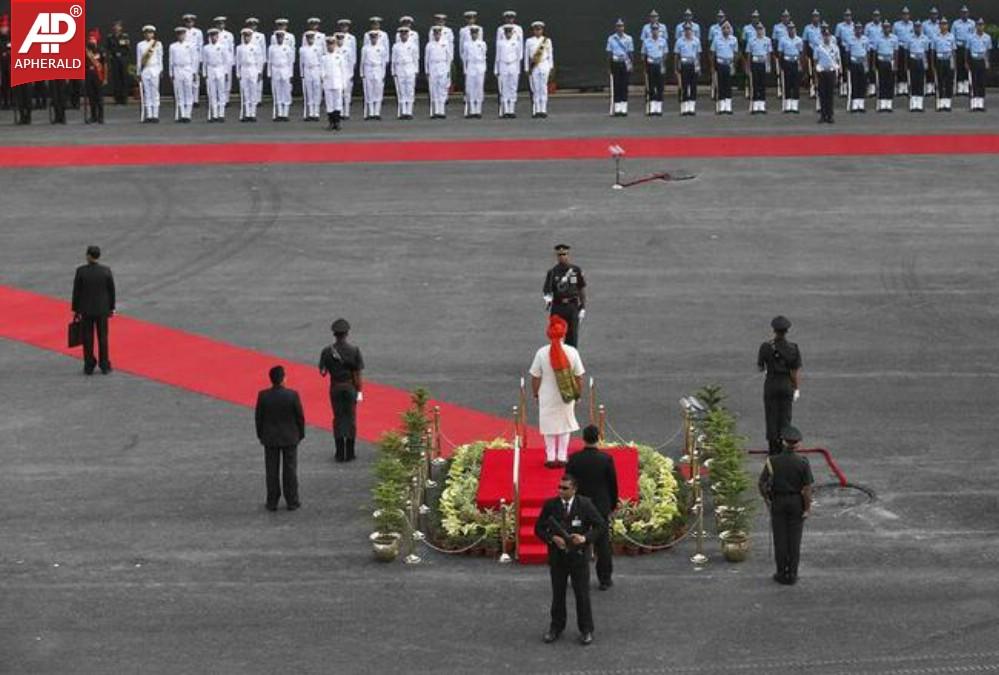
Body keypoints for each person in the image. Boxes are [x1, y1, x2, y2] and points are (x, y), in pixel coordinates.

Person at [534, 474, 605, 646]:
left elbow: (600, 525)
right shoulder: (551, 505)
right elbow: (539, 528)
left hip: (578, 557)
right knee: (558, 594)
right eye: (559, 487)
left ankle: (586, 629)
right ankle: (556, 627)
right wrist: (552, 539)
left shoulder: (585, 504)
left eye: (564, 488)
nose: (560, 491)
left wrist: (585, 538)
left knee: (582, 595)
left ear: (574, 489)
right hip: (558, 558)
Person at [758, 425, 813, 585]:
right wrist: (807, 508)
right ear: (798, 444)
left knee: (780, 539)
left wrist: (767, 499)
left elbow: (761, 483)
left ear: (783, 442)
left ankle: (781, 573)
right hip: (796, 502)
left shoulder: (772, 461)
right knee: (794, 540)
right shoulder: (803, 462)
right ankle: (793, 574)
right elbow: (807, 489)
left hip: (778, 502)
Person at [566, 425, 618, 591]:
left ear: (583, 438)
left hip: (580, 505)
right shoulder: (606, 459)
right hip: (600, 507)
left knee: (577, 542)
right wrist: (613, 504)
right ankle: (605, 579)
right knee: (603, 544)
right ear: (598, 437)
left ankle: (577, 577)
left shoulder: (574, 459)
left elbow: (567, 483)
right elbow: (612, 485)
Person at [530, 315, 585, 467]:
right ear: (564, 335)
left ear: (549, 334)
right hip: (566, 394)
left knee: (548, 425)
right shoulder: (572, 352)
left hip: (546, 394)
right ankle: (561, 456)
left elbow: (535, 376)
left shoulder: (541, 353)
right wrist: (578, 394)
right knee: (564, 425)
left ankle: (550, 456)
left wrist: (536, 393)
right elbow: (579, 376)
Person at [254, 366, 305, 512]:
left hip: (270, 438)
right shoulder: (292, 395)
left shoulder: (263, 395)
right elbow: (300, 417)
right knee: (290, 470)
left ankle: (272, 501)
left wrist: (261, 435)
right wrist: (300, 434)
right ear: (283, 379)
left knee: (271, 470)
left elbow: (259, 418)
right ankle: (292, 500)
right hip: (290, 437)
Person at [319, 318, 364, 462]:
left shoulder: (327, 351)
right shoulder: (354, 350)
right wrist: (359, 391)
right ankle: (350, 452)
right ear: (347, 333)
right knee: (351, 418)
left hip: (335, 387)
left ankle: (339, 452)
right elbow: (358, 373)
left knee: (338, 418)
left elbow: (322, 372)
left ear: (334, 334)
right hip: (350, 387)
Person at [758, 315, 802, 454]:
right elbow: (794, 372)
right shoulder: (793, 348)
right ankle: (785, 446)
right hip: (786, 384)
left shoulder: (766, 347)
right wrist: (796, 388)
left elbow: (760, 367)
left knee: (771, 415)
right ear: (787, 331)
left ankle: (773, 448)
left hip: (771, 383)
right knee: (785, 416)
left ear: (774, 330)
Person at [71, 245, 116, 375]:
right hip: (102, 310)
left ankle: (89, 365)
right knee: (103, 337)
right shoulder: (106, 271)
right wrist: (112, 307)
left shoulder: (81, 271)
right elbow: (111, 291)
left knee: (87, 338)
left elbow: (76, 292)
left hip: (86, 310)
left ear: (89, 256)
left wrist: (76, 309)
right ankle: (104, 365)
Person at [543, 244, 587, 349]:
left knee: (572, 335)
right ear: (556, 256)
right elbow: (547, 290)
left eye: (564, 254)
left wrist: (583, 307)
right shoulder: (552, 272)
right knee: (556, 335)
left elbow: (580, 288)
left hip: (572, 306)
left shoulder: (575, 270)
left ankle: (571, 357)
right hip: (558, 306)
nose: (562, 257)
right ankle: (557, 357)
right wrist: (547, 299)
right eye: (560, 255)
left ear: (568, 255)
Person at [524, 22, 553, 119]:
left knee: (543, 88)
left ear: (542, 30)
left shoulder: (547, 41)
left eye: (539, 29)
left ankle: (543, 109)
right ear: (533, 30)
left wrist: (551, 67)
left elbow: (550, 55)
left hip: (544, 65)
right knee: (535, 88)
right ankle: (536, 110)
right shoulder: (529, 41)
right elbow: (526, 56)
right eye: (536, 30)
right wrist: (526, 68)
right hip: (534, 66)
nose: (537, 31)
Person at [606, 19, 634, 116]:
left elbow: (630, 53)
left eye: (621, 26)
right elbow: (609, 53)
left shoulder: (629, 38)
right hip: (615, 62)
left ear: (624, 27)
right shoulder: (611, 39)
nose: (620, 28)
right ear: (616, 28)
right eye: (618, 26)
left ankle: (624, 107)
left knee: (624, 85)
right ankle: (617, 107)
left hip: (625, 62)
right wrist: (609, 67)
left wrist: (631, 64)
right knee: (616, 85)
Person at [235, 27, 263, 122]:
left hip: (253, 69)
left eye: (248, 36)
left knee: (253, 92)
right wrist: (238, 73)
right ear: (243, 37)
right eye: (245, 36)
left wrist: (259, 72)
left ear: (251, 37)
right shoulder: (239, 48)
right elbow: (238, 61)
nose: (247, 38)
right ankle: (247, 114)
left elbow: (259, 60)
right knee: (245, 93)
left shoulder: (256, 47)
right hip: (244, 69)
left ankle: (253, 114)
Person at [495, 23, 522, 118]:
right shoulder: (500, 43)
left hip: (513, 66)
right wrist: (496, 69)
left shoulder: (516, 43)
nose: (508, 34)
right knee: (504, 88)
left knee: (513, 87)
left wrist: (518, 69)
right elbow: (497, 57)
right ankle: (506, 110)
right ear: (504, 33)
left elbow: (518, 57)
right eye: (507, 32)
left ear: (512, 33)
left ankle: (512, 110)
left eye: (510, 32)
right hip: (503, 65)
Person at [137, 25, 163, 122]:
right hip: (145, 70)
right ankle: (149, 115)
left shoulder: (157, 44)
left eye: (150, 33)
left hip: (154, 69)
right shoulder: (140, 45)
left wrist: (160, 70)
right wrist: (138, 72)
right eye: (147, 33)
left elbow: (160, 58)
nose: (148, 35)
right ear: (144, 34)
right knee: (147, 93)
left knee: (155, 92)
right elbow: (139, 59)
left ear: (153, 34)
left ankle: (155, 115)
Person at [711, 21, 738, 114]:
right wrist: (712, 66)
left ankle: (728, 106)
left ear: (730, 29)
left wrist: (734, 65)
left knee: (728, 85)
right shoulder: (716, 39)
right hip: (720, 64)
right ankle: (721, 106)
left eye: (728, 28)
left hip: (729, 64)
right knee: (721, 85)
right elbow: (713, 53)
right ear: (721, 30)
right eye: (724, 28)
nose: (726, 30)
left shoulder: (734, 40)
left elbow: (735, 53)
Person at [814, 25, 840, 123]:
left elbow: (837, 61)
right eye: (825, 35)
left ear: (830, 36)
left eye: (828, 35)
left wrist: (837, 74)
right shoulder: (818, 48)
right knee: (822, 95)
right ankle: (823, 115)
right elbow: (816, 61)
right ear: (822, 37)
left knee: (830, 95)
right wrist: (815, 75)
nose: (826, 37)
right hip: (822, 72)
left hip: (831, 72)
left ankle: (830, 115)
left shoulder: (835, 48)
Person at [202, 28, 229, 122]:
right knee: (212, 93)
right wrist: (204, 73)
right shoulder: (206, 48)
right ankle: (214, 114)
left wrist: (226, 72)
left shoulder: (222, 47)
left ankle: (221, 114)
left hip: (220, 68)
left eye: (215, 35)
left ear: (218, 36)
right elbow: (204, 62)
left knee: (221, 92)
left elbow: (226, 61)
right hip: (210, 69)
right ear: (210, 37)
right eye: (212, 35)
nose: (213, 37)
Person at [392, 27, 419, 119]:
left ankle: (409, 111)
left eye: (405, 34)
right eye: (402, 34)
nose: (404, 36)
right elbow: (393, 60)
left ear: (408, 35)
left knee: (410, 90)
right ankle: (403, 111)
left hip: (410, 68)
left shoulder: (413, 45)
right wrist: (393, 71)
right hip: (400, 68)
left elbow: (415, 59)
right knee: (401, 91)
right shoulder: (396, 46)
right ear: (400, 35)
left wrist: (416, 70)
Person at [169, 27, 195, 123]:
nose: (181, 36)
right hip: (177, 69)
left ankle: (188, 114)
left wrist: (194, 72)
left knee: (188, 92)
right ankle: (182, 114)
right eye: (179, 34)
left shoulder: (190, 45)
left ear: (185, 35)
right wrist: (171, 73)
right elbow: (171, 61)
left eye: (182, 34)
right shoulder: (173, 46)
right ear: (177, 35)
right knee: (179, 92)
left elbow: (194, 59)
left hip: (187, 69)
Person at [267, 30, 294, 121]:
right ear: (276, 38)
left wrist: (290, 74)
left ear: (283, 38)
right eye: (278, 37)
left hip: (285, 70)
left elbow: (290, 62)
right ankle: (279, 113)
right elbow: (269, 61)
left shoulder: (287, 48)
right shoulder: (271, 48)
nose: (280, 39)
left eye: (281, 37)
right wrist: (269, 73)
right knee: (277, 92)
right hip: (275, 70)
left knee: (286, 92)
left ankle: (285, 113)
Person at [642, 23, 668, 116]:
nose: (655, 31)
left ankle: (659, 107)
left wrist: (663, 65)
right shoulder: (646, 41)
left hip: (659, 64)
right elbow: (644, 55)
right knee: (651, 86)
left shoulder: (663, 41)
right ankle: (652, 107)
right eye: (653, 29)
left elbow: (665, 54)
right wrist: (645, 67)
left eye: (656, 29)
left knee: (660, 86)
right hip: (651, 64)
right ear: (651, 31)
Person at [461, 25, 487, 118]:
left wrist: (484, 68)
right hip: (471, 66)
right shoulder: (466, 44)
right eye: (473, 33)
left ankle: (478, 110)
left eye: (475, 33)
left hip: (479, 66)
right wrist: (465, 69)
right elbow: (464, 58)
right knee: (470, 88)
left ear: (478, 34)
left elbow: (484, 57)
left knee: (479, 88)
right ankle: (472, 110)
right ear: (470, 34)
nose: (474, 35)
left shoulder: (482, 44)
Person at [426, 25, 452, 119]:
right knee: (434, 90)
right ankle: (436, 111)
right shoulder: (429, 45)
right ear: (433, 34)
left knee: (442, 89)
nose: (437, 35)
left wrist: (448, 70)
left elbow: (449, 57)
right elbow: (426, 59)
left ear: (441, 34)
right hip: (433, 66)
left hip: (442, 66)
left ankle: (442, 110)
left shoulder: (445, 43)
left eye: (438, 33)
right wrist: (427, 70)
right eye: (435, 33)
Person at [675, 22, 701, 116]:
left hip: (693, 63)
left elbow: (698, 55)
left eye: (689, 29)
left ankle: (692, 107)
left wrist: (698, 66)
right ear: (684, 31)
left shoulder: (696, 41)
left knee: (693, 86)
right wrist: (676, 66)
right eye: (686, 29)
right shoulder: (679, 41)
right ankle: (684, 108)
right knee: (684, 86)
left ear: (692, 30)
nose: (688, 31)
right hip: (684, 63)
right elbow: (677, 55)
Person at [778, 22, 804, 113]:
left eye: (793, 28)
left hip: (795, 62)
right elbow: (780, 53)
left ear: (795, 29)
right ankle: (788, 105)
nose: (791, 30)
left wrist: (800, 64)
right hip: (787, 62)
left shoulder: (799, 40)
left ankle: (795, 105)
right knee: (787, 84)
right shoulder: (783, 40)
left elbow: (801, 53)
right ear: (787, 30)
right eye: (789, 28)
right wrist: (782, 65)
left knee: (796, 84)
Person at [361, 30, 387, 120]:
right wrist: (362, 73)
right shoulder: (365, 48)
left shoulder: (382, 48)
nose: (374, 39)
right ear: (370, 38)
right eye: (372, 38)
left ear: (377, 38)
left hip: (378, 69)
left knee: (378, 91)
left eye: (375, 37)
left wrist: (383, 73)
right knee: (369, 91)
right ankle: (371, 112)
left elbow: (383, 62)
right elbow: (362, 61)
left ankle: (377, 112)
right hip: (368, 69)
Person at [874, 21, 899, 112]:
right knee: (882, 82)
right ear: (882, 28)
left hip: (890, 61)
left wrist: (895, 64)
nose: (886, 29)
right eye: (884, 27)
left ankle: (889, 104)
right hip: (881, 61)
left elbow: (896, 52)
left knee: (890, 82)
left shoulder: (894, 38)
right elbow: (875, 52)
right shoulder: (878, 38)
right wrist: (874, 64)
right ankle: (882, 103)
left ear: (890, 28)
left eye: (888, 27)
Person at [746, 22, 771, 113]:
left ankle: (762, 105)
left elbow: (768, 54)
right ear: (756, 30)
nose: (759, 31)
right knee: (755, 84)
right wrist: (748, 67)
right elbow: (749, 54)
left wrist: (768, 65)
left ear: (763, 30)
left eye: (761, 29)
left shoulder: (767, 40)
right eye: (758, 29)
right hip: (755, 63)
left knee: (762, 84)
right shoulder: (751, 40)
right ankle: (755, 104)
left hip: (763, 63)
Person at [104, 20, 131, 105]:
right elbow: (107, 48)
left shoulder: (125, 36)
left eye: (118, 26)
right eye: (115, 26)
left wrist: (125, 56)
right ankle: (117, 99)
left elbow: (128, 48)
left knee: (124, 78)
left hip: (123, 59)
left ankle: (124, 98)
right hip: (114, 59)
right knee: (116, 79)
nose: (116, 28)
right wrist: (110, 56)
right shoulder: (110, 37)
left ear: (121, 28)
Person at [967, 19, 991, 112]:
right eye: (978, 25)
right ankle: (973, 104)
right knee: (973, 82)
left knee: (982, 82)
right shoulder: (970, 37)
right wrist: (967, 62)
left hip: (982, 60)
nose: (980, 26)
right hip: (973, 60)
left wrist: (987, 61)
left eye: (981, 25)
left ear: (984, 26)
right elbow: (967, 51)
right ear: (976, 26)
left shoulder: (987, 37)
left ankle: (980, 104)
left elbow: (988, 51)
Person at [932, 18, 956, 111]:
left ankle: (948, 103)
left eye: (945, 24)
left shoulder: (951, 36)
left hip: (948, 60)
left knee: (948, 82)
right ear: (939, 26)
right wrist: (933, 64)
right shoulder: (935, 36)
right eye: (942, 24)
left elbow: (953, 51)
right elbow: (933, 51)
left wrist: (953, 63)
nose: (943, 26)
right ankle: (940, 103)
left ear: (947, 26)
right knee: (939, 81)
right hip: (939, 60)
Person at [846, 22, 870, 112]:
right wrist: (848, 65)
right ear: (854, 30)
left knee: (862, 84)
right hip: (854, 63)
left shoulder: (865, 39)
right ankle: (855, 105)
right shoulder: (850, 39)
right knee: (855, 83)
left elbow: (867, 53)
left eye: (860, 28)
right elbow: (847, 53)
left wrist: (867, 65)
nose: (858, 30)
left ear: (862, 30)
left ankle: (861, 104)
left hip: (862, 63)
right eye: (857, 28)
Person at [907, 21, 930, 112]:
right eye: (916, 27)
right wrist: (907, 63)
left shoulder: (925, 38)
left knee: (920, 81)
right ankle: (913, 104)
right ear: (913, 28)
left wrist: (926, 63)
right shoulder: (909, 38)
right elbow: (907, 51)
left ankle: (920, 104)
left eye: (919, 27)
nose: (917, 28)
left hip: (921, 60)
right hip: (912, 60)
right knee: (913, 81)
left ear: (921, 28)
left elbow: (926, 52)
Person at [84, 32, 106, 124]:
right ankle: (93, 116)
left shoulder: (101, 50)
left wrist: (105, 78)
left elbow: (104, 64)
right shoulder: (86, 50)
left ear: (96, 40)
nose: (91, 41)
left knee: (99, 97)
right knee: (91, 96)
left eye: (92, 39)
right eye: (90, 39)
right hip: (89, 74)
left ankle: (101, 117)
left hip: (98, 75)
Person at [952, 5, 975, 96]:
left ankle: (966, 87)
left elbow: (974, 36)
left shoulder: (972, 23)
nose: (964, 14)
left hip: (968, 47)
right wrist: (954, 48)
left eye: (966, 13)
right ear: (960, 14)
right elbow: (953, 36)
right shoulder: (956, 23)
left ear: (968, 13)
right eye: (963, 13)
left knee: (967, 66)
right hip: (959, 46)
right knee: (959, 66)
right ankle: (960, 87)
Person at [181, 13, 203, 106]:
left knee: (195, 78)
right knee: (186, 78)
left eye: (191, 21)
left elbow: (200, 46)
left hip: (195, 56)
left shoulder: (198, 32)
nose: (189, 23)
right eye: (187, 22)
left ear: (193, 22)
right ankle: (187, 99)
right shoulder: (182, 31)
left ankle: (195, 100)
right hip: (185, 56)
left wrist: (201, 59)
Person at [893, 7, 915, 95]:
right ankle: (900, 86)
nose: (906, 16)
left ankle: (906, 85)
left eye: (907, 14)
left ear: (909, 15)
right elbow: (893, 37)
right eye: (904, 14)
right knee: (900, 67)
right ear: (901, 15)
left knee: (908, 66)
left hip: (909, 48)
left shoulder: (912, 24)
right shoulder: (896, 25)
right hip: (900, 48)